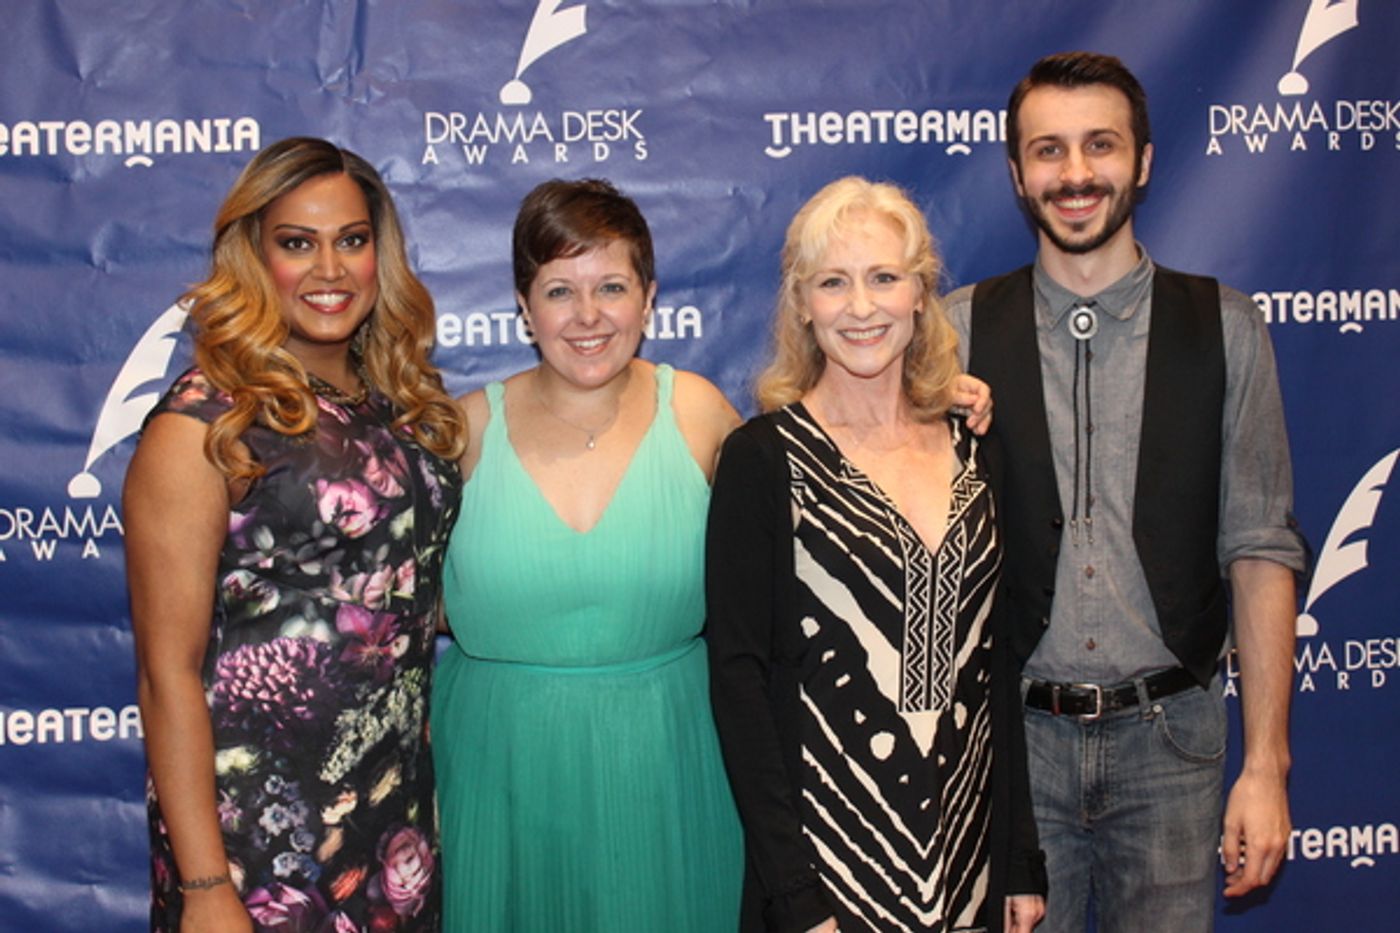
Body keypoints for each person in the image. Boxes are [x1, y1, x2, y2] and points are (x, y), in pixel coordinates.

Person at [943, 52, 1307, 933]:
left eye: (1099, 146)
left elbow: (1259, 549)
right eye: (1049, 151)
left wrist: (1266, 768)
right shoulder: (951, 330)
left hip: (1173, 744)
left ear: (1142, 161)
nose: (1075, 174)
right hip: (1011, 750)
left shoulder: (1225, 326)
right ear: (1016, 174)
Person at [125, 136, 467, 933]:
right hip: (258, 848)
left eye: (351, 240)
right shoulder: (207, 420)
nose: (330, 269)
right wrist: (208, 886)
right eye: (296, 244)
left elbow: (411, 595)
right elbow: (165, 673)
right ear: (254, 256)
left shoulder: (398, 404)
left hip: (390, 828)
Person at [707, 176, 1047, 933]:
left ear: (921, 294)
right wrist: (795, 897)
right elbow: (740, 685)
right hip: (828, 881)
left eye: (884, 278)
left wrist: (1019, 857)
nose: (861, 307)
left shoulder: (976, 448)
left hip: (969, 866)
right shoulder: (764, 460)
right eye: (834, 282)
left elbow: (998, 665)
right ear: (801, 303)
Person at [428, 177, 747, 932]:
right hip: (498, 771)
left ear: (649, 296)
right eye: (559, 290)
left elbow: (803, 539)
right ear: (522, 305)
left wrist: (929, 395)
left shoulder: (700, 414)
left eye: (611, 285)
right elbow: (390, 603)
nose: (589, 315)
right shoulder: (463, 433)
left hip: (669, 765)